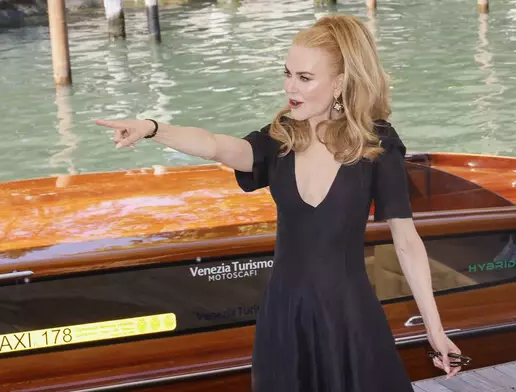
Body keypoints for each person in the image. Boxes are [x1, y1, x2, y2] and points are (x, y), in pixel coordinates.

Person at [95, 14, 463, 392]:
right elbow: (215, 145)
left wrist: (434, 329)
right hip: (285, 320)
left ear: (339, 83)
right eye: (287, 74)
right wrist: (153, 128)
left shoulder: (376, 145)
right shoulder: (280, 140)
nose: (291, 87)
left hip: (350, 319)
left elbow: (406, 241)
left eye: (305, 78)